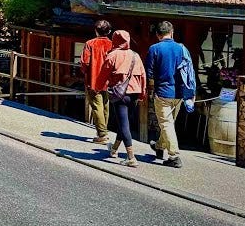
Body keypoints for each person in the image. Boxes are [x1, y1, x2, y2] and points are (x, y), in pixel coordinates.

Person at [147, 20, 195, 168]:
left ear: (157, 34)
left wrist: (150, 91)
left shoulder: (154, 49)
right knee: (168, 124)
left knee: (166, 124)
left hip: (162, 92)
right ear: (172, 32)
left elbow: (149, 74)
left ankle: (174, 156)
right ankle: (160, 147)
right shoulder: (181, 49)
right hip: (179, 93)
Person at [100, 30, 146, 167]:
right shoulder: (135, 56)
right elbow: (143, 76)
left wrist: (99, 87)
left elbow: (103, 75)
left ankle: (131, 157)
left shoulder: (112, 55)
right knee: (124, 122)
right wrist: (142, 94)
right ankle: (114, 149)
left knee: (124, 124)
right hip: (135, 93)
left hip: (120, 94)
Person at [78, 20, 114, 144]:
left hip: (93, 79)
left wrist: (84, 72)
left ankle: (102, 134)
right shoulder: (112, 45)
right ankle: (104, 130)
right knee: (105, 106)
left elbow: (85, 63)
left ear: (95, 30)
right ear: (109, 31)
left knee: (96, 106)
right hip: (108, 81)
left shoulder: (90, 44)